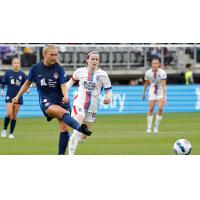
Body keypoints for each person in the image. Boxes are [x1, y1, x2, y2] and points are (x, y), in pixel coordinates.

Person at [12, 44, 91, 155]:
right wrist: (17, 96)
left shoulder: (59, 68)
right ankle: (79, 128)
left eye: (56, 55)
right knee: (62, 112)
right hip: (46, 102)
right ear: (44, 54)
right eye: (52, 55)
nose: (54, 57)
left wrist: (66, 96)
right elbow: (26, 84)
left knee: (64, 129)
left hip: (61, 101)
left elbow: (63, 85)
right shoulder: (35, 68)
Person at [67, 50, 112, 155]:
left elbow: (108, 90)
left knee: (83, 136)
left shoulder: (103, 75)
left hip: (92, 107)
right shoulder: (79, 71)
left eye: (97, 59)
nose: (94, 61)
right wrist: (63, 95)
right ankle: (71, 154)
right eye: (92, 59)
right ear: (87, 60)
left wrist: (108, 98)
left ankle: (71, 138)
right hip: (79, 103)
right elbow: (69, 83)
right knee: (79, 119)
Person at [1, 58, 26, 138]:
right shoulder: (8, 73)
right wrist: (2, 90)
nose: (16, 64)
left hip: (18, 97)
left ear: (19, 64)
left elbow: (26, 84)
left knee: (14, 116)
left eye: (18, 63)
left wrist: (27, 89)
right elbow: (3, 83)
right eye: (15, 63)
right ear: (12, 63)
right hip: (9, 95)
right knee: (9, 114)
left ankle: (11, 133)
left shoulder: (22, 74)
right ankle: (4, 129)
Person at [142, 57, 167, 133]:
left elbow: (163, 85)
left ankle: (156, 127)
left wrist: (164, 97)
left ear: (159, 64)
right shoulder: (148, 73)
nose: (155, 65)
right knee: (151, 109)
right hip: (152, 90)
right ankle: (149, 128)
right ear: (151, 64)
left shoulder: (162, 72)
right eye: (153, 63)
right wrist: (143, 93)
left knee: (160, 109)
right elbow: (146, 83)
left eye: (156, 63)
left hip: (160, 91)